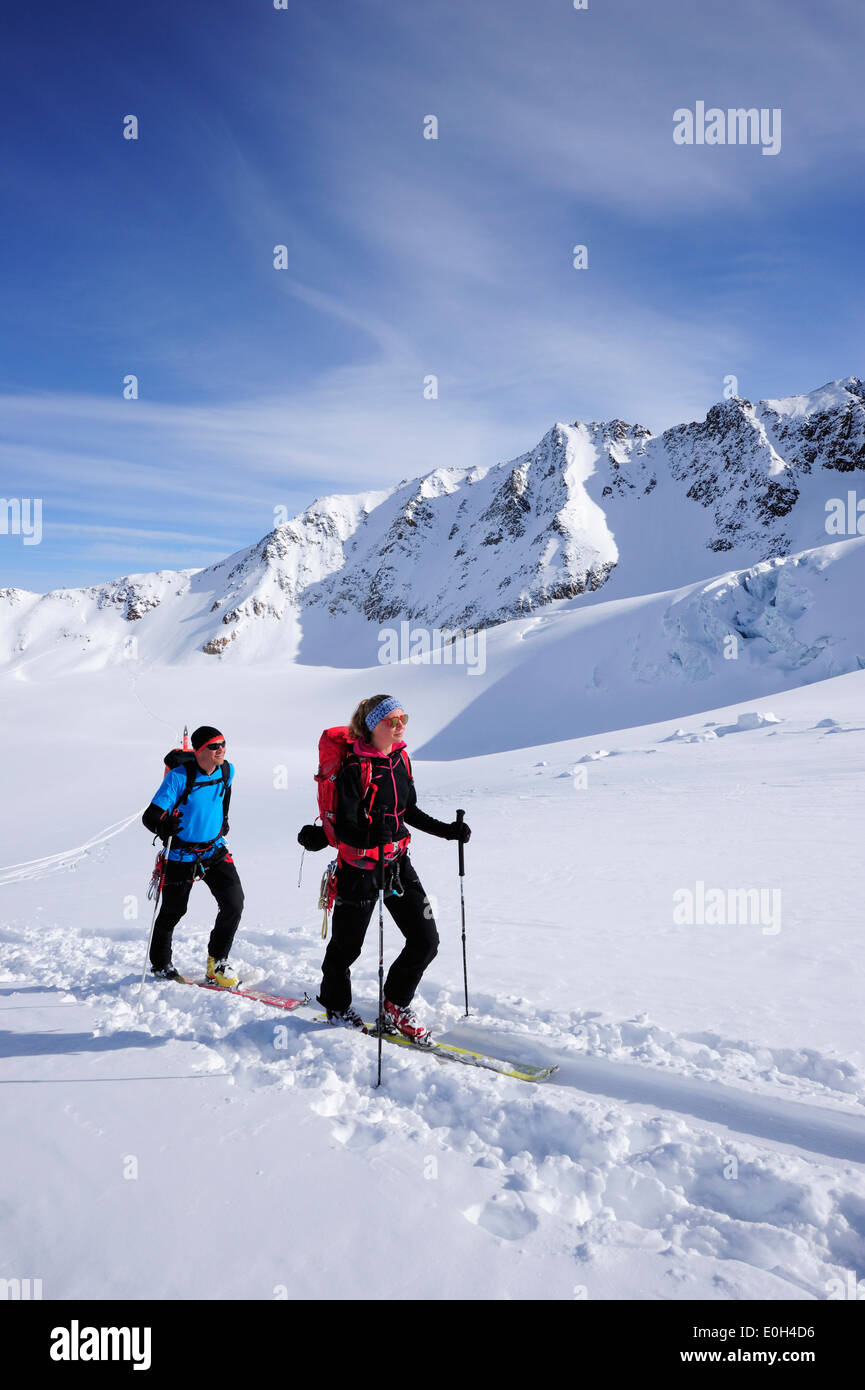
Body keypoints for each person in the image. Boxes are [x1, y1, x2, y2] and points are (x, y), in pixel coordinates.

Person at [298, 695, 471, 1041]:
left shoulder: (400, 759)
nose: (400, 725)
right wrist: (369, 834)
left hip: (397, 863)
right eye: (391, 721)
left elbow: (408, 812)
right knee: (347, 948)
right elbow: (345, 828)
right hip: (358, 868)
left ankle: (394, 1003)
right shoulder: (353, 769)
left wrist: (447, 832)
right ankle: (335, 1004)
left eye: (403, 718)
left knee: (426, 940)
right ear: (372, 726)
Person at [142, 725, 244, 986]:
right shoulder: (178, 777)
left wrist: (225, 819)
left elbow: (225, 795)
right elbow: (150, 816)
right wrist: (163, 826)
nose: (220, 749)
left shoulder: (226, 770)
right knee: (174, 911)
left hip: (214, 850)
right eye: (213, 746)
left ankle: (217, 962)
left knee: (234, 903)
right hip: (180, 854)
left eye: (223, 743)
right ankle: (161, 964)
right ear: (199, 751)